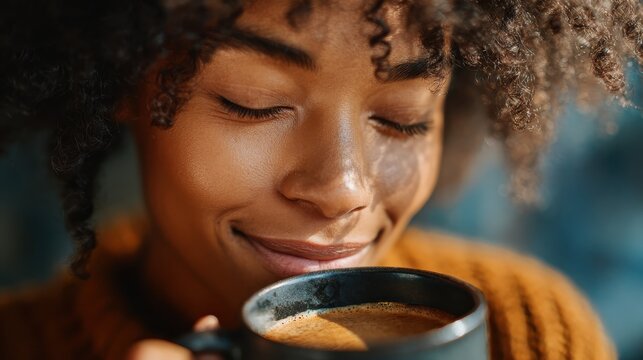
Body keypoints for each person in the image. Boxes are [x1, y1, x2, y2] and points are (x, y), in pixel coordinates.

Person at [0, 0, 640, 359]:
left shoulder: (533, 333)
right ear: (123, 79)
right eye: (255, 103)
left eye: (402, 119)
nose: (343, 188)